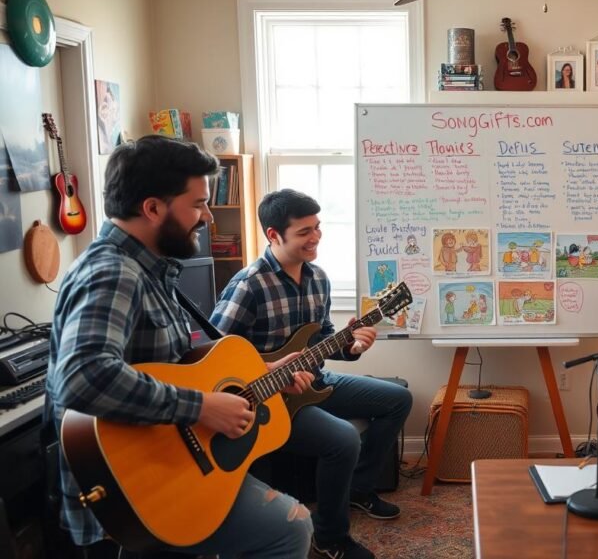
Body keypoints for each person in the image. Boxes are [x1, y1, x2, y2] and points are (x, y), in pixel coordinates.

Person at [45, 136, 313, 558]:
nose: (207, 216)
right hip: (133, 489)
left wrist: (267, 370)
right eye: (198, 204)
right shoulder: (114, 274)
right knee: (289, 529)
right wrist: (201, 407)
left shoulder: (151, 270)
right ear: (152, 208)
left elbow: (180, 366)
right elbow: (82, 378)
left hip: (170, 461)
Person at [211, 189, 413, 559]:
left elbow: (321, 341)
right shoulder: (248, 285)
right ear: (274, 235)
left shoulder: (318, 278)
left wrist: (352, 346)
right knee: (343, 439)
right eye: (304, 231)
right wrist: (271, 370)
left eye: (317, 228)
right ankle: (331, 536)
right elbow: (214, 355)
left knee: (397, 399)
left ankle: (358, 488)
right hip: (272, 399)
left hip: (316, 383)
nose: (315, 237)